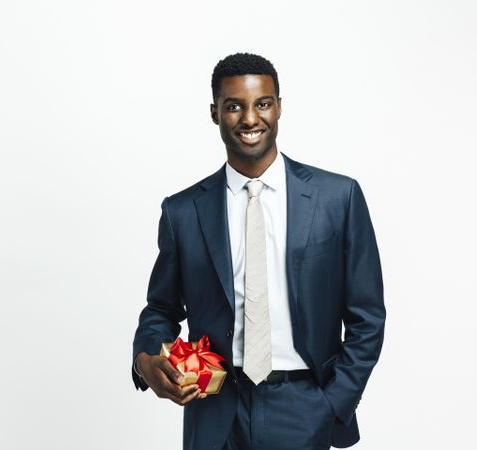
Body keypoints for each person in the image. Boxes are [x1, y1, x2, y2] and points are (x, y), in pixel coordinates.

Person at [131, 52, 385, 450]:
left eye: (262, 103)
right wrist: (145, 358)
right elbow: (161, 309)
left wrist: (333, 404)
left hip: (303, 406)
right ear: (215, 113)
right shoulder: (182, 212)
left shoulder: (338, 198)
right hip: (213, 410)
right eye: (234, 106)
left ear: (279, 107)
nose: (250, 118)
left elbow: (367, 316)